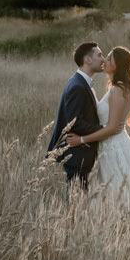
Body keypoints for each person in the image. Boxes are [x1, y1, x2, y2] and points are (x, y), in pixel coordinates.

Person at [66, 45, 130, 211]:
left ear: (117, 65)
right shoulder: (118, 87)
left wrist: (81, 140)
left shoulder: (117, 89)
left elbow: (112, 128)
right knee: (117, 191)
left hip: (113, 147)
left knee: (119, 192)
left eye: (109, 59)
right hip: (112, 145)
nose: (104, 61)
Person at [47, 41, 104, 189]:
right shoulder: (78, 86)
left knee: (79, 200)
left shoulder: (79, 82)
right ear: (88, 60)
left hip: (81, 153)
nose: (103, 59)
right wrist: (103, 129)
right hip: (77, 154)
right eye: (99, 55)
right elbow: (75, 123)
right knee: (75, 202)